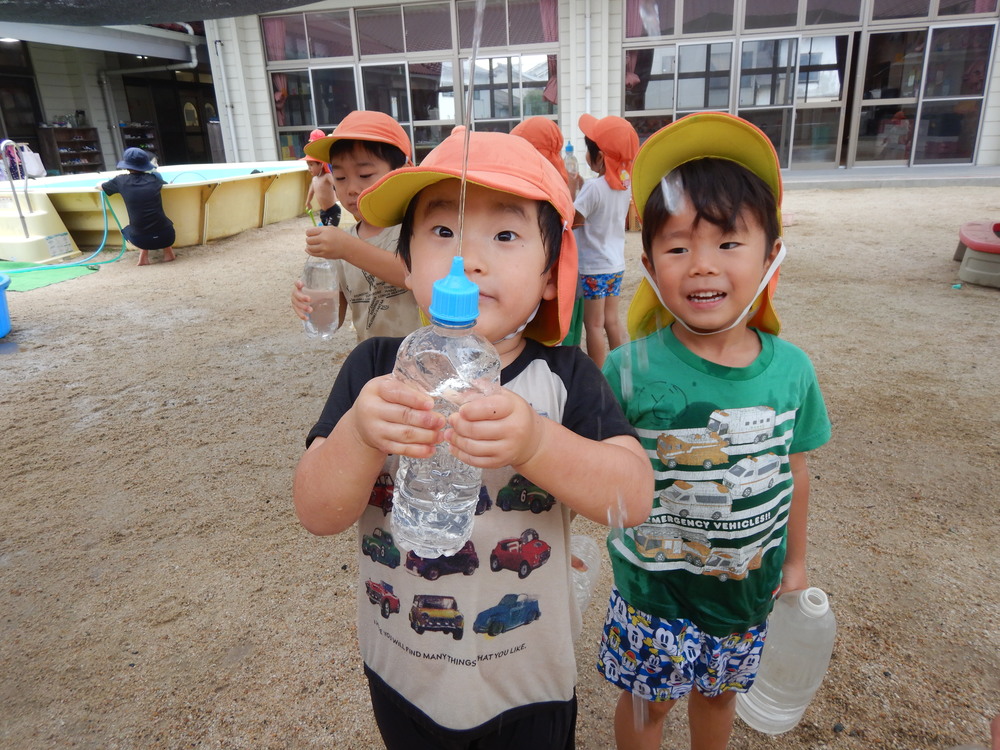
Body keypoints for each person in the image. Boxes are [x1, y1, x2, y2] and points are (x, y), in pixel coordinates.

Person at [292, 130, 653, 749]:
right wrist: (358, 433)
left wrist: (537, 443)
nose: (469, 257)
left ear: (549, 277)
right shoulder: (375, 372)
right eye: (441, 233)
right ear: (406, 265)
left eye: (506, 235)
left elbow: (633, 500)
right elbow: (317, 512)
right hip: (405, 664)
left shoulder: (565, 378)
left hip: (527, 681)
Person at [595, 112, 832, 750]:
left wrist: (798, 562)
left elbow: (795, 471)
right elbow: (597, 465)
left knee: (719, 697)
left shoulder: (792, 371)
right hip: (650, 586)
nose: (702, 266)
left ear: (770, 253)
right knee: (647, 705)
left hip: (744, 587)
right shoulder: (626, 368)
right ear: (648, 262)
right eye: (678, 247)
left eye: (728, 243)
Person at [291, 111, 420, 340]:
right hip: (373, 361)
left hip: (421, 360)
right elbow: (336, 317)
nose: (351, 188)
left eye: (365, 174)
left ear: (403, 172)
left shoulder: (419, 228)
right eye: (340, 178)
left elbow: (418, 278)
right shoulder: (343, 244)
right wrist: (309, 304)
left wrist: (347, 248)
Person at [572, 114, 639, 367]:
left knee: (594, 324)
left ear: (599, 158)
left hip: (593, 269)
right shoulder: (625, 185)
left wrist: (573, 192)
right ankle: (621, 370)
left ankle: (598, 375)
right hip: (614, 265)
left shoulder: (593, 188)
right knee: (612, 321)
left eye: (588, 152)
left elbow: (574, 220)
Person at [100, 147, 175, 266]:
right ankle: (168, 253)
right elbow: (165, 184)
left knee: (128, 229)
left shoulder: (120, 181)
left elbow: (101, 187)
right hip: (168, 236)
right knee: (162, 221)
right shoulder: (154, 179)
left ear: (126, 166)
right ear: (146, 164)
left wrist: (99, 185)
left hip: (141, 240)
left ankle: (143, 257)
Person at [303, 138, 341, 227]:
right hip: (323, 212)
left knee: (330, 231)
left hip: (333, 211)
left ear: (321, 165)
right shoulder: (314, 179)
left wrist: (339, 194)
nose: (309, 168)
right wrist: (308, 202)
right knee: (325, 232)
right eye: (308, 165)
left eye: (311, 165)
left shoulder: (326, 176)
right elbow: (311, 192)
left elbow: (337, 185)